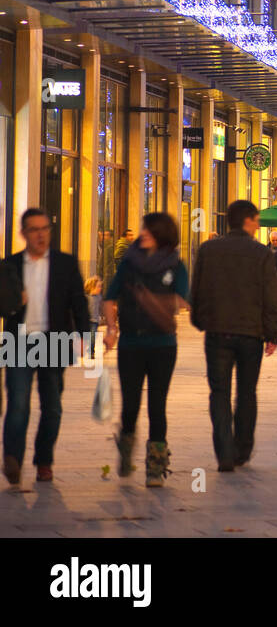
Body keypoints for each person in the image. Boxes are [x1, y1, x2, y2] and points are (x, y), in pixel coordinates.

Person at [190, 200, 277, 471]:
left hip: (218, 332)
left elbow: (198, 290)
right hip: (250, 334)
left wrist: (200, 320)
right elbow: (271, 297)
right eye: (256, 220)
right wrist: (272, 332)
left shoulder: (208, 250)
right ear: (248, 221)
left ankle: (225, 451)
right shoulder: (261, 254)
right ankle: (243, 448)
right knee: (246, 392)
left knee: (219, 391)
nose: (259, 225)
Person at [2, 208, 90, 485]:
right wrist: (15, 301)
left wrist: (85, 337)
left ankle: (44, 461)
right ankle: (12, 459)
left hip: (55, 341)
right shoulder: (11, 265)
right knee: (18, 404)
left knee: (52, 407)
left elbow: (79, 303)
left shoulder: (65, 263)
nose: (41, 235)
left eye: (45, 229)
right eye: (34, 229)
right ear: (24, 234)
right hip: (19, 342)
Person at [102, 212, 189, 487]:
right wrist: (112, 329)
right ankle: (126, 449)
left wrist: (161, 301)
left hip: (163, 343)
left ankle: (155, 465)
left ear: (163, 232)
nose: (144, 233)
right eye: (144, 229)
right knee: (130, 406)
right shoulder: (129, 263)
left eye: (150, 229)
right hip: (130, 343)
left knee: (157, 405)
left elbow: (184, 300)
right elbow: (109, 297)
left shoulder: (175, 264)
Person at [84, 276, 103, 363]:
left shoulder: (99, 297)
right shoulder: (86, 297)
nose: (100, 288)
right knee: (86, 337)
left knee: (93, 336)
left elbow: (101, 307)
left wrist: (102, 316)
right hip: (87, 320)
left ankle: (91, 352)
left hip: (95, 321)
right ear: (92, 286)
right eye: (98, 286)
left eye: (101, 286)